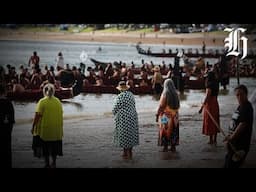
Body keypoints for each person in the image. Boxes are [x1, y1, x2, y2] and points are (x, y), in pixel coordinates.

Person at [31, 83, 63, 168]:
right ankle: (54, 162)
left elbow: (37, 116)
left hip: (46, 129)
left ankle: (47, 163)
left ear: (44, 91)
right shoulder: (58, 101)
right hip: (56, 129)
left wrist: (33, 126)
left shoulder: (42, 101)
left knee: (45, 146)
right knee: (54, 146)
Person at [223, 85, 253, 168]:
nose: (239, 97)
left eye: (241, 94)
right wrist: (229, 137)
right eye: (237, 95)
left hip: (240, 146)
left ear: (246, 94)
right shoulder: (241, 106)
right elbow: (236, 123)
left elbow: (242, 124)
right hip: (234, 144)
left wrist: (231, 137)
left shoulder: (247, 107)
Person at [112, 81, 139, 160]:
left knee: (124, 134)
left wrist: (113, 113)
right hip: (133, 116)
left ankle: (125, 152)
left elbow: (115, 108)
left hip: (123, 117)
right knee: (130, 133)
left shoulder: (120, 96)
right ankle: (130, 152)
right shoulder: (131, 95)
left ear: (120, 89)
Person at [156, 79, 180, 152]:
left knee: (164, 130)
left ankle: (165, 147)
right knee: (174, 130)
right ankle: (173, 146)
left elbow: (161, 106)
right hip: (175, 115)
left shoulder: (165, 93)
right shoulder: (176, 94)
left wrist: (157, 114)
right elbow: (178, 105)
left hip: (166, 115)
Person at [199, 71, 220, 145]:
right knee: (215, 120)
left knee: (210, 121)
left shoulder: (209, 85)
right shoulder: (216, 84)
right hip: (215, 103)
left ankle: (211, 140)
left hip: (210, 104)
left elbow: (207, 97)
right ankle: (215, 139)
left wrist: (201, 107)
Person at [0, 84, 15, 168]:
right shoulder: (8, 103)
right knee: (6, 152)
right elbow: (12, 121)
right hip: (6, 131)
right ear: (4, 92)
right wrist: (9, 131)